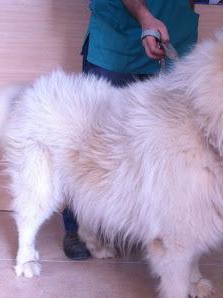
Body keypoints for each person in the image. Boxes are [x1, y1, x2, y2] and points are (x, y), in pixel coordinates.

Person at [62, 0, 199, 260]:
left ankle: (141, 223)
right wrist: (146, 18)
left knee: (162, 145)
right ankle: (79, 225)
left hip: (173, 32)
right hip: (117, 35)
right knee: (93, 136)